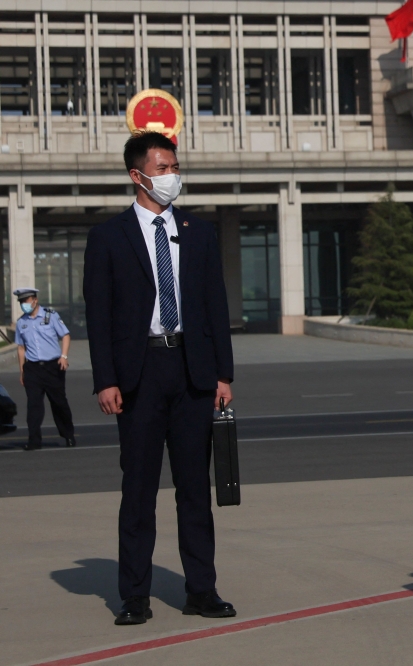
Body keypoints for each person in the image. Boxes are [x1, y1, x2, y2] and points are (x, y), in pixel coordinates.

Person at [83, 131, 236, 626]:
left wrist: (222, 375)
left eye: (174, 166)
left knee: (195, 490)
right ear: (138, 175)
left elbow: (215, 306)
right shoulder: (108, 237)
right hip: (140, 375)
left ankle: (202, 590)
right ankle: (134, 597)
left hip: (192, 372)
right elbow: (98, 314)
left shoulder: (198, 231)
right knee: (139, 490)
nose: (172, 175)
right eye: (163, 167)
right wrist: (105, 379)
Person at [13, 287, 76, 450]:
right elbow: (21, 348)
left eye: (25, 301)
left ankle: (68, 435)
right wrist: (22, 371)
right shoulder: (21, 322)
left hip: (52, 367)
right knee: (34, 406)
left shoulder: (51, 316)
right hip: (33, 369)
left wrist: (64, 356)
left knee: (59, 403)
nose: (23, 305)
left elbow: (66, 335)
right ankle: (34, 440)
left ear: (35, 300)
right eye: (21, 302)